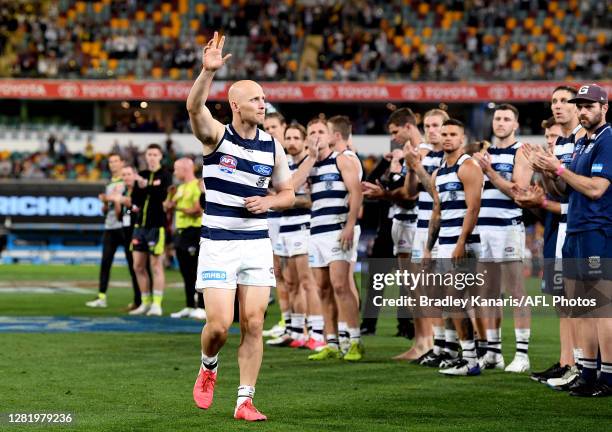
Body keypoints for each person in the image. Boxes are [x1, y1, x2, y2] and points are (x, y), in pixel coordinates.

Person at [187, 32, 294, 421]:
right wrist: (207, 72)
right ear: (235, 105)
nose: (263, 104)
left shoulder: (272, 146)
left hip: (255, 245)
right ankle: (208, 366)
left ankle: (244, 401)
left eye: (264, 99)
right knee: (219, 326)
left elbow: (287, 193)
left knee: (253, 321)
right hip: (218, 243)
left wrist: (270, 201)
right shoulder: (217, 137)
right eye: (255, 99)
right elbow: (194, 107)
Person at [529, 84, 611, 397]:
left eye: (589, 105)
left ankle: (607, 378)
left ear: (604, 108)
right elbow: (567, 190)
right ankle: (587, 373)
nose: (583, 110)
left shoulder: (607, 139)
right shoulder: (582, 142)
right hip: (576, 230)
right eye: (581, 105)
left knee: (601, 307)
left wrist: (559, 167)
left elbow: (595, 189)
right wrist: (548, 172)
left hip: (597, 231)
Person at [291, 117, 364, 361]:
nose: (316, 136)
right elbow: (291, 186)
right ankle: (331, 342)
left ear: (331, 136)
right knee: (322, 289)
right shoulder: (309, 164)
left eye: (321, 131)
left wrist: (350, 226)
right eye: (312, 132)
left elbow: (356, 192)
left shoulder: (342, 159)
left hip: (337, 229)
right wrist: (310, 157)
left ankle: (354, 340)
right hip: (316, 232)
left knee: (341, 285)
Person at [472, 104, 533, 373]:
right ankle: (493, 352)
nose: (501, 123)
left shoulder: (521, 152)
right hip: (483, 228)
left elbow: (519, 191)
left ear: (516, 125)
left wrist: (491, 172)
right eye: (497, 118)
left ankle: (522, 354)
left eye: (507, 118)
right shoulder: (485, 154)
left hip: (508, 227)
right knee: (488, 293)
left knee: (516, 292)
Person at [426, 119, 484, 376]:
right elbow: (437, 212)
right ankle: (463, 355)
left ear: (462, 138)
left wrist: (462, 242)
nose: (447, 137)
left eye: (453, 134)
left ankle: (471, 360)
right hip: (445, 243)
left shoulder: (468, 166)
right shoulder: (439, 171)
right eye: (444, 133)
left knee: (455, 300)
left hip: (463, 244)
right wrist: (430, 247)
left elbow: (473, 208)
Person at [268, 123, 325, 350]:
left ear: (303, 141)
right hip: (286, 226)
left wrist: (283, 200)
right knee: (290, 283)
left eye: (295, 138)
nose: (291, 142)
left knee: (307, 283)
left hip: (304, 226)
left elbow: (312, 199)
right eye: (288, 138)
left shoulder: (311, 164)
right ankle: (296, 331)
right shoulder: (286, 163)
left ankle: (317, 333)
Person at [128, 144, 173, 316]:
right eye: (149, 154)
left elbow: (162, 195)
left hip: (156, 225)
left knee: (156, 265)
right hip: (140, 226)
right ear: (145, 157)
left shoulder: (166, 175)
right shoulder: (143, 174)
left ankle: (157, 304)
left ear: (160, 156)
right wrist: (141, 186)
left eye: (155, 154)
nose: (152, 157)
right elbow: (135, 199)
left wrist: (145, 186)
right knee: (138, 265)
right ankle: (145, 303)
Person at [164, 158, 206, 320]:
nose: (175, 172)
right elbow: (166, 206)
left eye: (176, 169)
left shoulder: (198, 185)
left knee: (197, 270)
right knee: (185, 272)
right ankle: (189, 305)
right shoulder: (179, 188)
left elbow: (197, 210)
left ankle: (202, 306)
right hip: (180, 233)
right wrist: (170, 196)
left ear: (185, 169)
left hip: (194, 231)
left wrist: (176, 206)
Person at [262, 112, 291, 339]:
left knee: (294, 276)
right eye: (267, 127)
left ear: (284, 127)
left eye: (274, 126)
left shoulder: (290, 155)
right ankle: (286, 320)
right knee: (278, 273)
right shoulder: (264, 154)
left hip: (291, 220)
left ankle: (300, 323)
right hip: (271, 219)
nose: (270, 131)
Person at [86, 153, 126, 308]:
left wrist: (111, 200)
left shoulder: (127, 180)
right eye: (110, 162)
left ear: (122, 163)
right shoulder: (109, 183)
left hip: (124, 226)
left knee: (134, 264)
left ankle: (141, 299)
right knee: (105, 263)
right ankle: (101, 297)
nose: (113, 164)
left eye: (116, 161)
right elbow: (105, 210)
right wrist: (104, 203)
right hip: (110, 226)